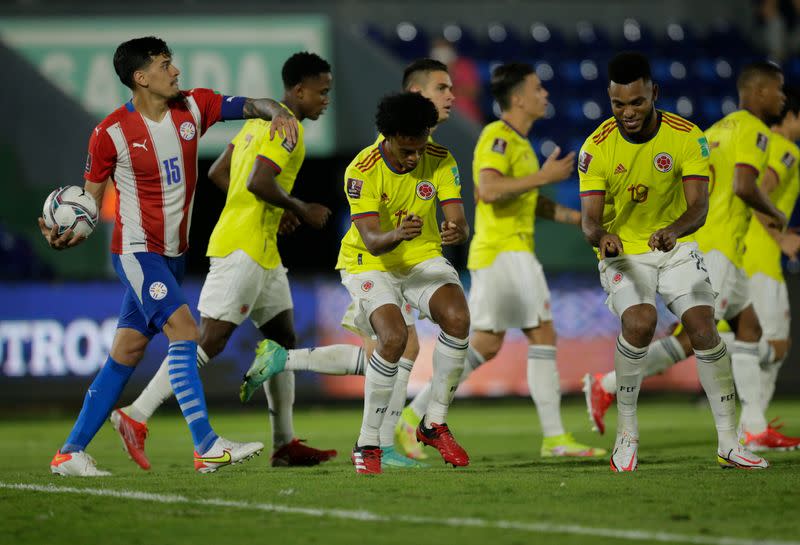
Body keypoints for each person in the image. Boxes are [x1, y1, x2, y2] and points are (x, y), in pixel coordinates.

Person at [41, 36, 298, 476]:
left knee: (126, 353)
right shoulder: (110, 133)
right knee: (184, 331)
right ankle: (206, 445)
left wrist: (279, 112)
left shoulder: (193, 107)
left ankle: (69, 452)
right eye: (165, 64)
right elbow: (89, 199)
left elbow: (253, 104)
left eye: (172, 62)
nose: (175, 71)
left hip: (175, 254)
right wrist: (65, 232)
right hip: (139, 255)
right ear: (141, 78)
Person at [107, 52, 338, 470]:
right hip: (243, 248)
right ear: (299, 90)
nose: (326, 100)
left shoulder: (257, 124)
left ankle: (284, 444)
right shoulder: (287, 128)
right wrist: (300, 208)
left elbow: (219, 171)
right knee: (208, 340)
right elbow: (259, 180)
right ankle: (135, 414)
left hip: (262, 248)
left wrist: (276, 209)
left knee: (282, 342)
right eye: (322, 93)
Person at [239, 58, 457, 469]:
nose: (451, 96)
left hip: (405, 260)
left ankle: (290, 364)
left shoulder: (430, 150)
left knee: (397, 346)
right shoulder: (388, 152)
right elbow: (374, 227)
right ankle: (376, 443)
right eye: (442, 88)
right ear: (415, 96)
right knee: (392, 346)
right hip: (373, 259)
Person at [397, 62, 605, 459]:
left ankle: (416, 415)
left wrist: (581, 219)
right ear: (518, 98)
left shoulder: (523, 146)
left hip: (512, 253)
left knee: (489, 345)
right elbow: (490, 189)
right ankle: (554, 438)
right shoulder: (497, 136)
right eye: (538, 89)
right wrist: (543, 177)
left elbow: (529, 200)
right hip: (501, 253)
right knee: (538, 335)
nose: (545, 95)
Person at [578, 51, 770, 471]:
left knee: (704, 327)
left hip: (675, 247)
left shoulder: (687, 137)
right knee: (641, 322)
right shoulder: (595, 147)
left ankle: (728, 443)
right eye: (618, 104)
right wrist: (603, 237)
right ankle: (627, 433)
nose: (627, 113)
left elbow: (699, 207)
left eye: (637, 102)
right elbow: (589, 222)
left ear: (654, 93)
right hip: (624, 254)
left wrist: (675, 231)